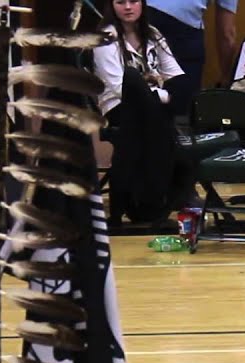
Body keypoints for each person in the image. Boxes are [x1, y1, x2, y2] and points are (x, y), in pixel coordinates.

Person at [93, 0, 193, 229]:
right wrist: (161, 93)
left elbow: (175, 74)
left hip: (154, 109)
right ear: (112, 6)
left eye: (134, 1)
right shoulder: (105, 39)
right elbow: (120, 87)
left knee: (159, 115)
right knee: (132, 79)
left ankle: (156, 200)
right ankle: (155, 200)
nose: (128, 7)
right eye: (120, 2)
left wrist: (163, 94)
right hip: (119, 108)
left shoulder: (153, 34)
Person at [144, 0, 237, 117]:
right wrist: (226, 79)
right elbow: (226, 34)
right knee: (181, 115)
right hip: (184, 34)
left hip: (140, 18)